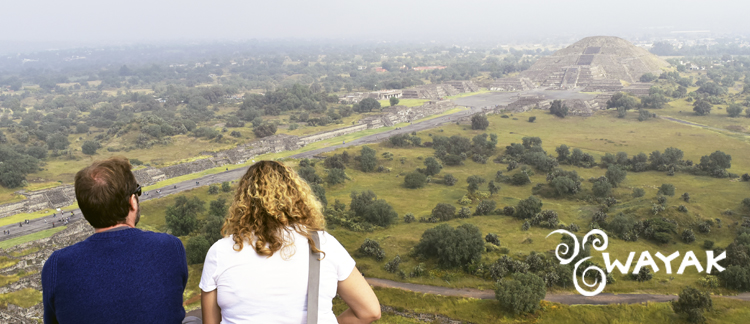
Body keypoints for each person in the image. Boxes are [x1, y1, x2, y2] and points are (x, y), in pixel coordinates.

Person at [199, 161, 380, 324]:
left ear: (243, 202)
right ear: (297, 197)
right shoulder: (323, 244)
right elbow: (369, 311)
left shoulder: (220, 252)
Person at [42, 157, 196, 324]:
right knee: (195, 318)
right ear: (132, 201)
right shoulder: (169, 247)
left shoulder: (57, 265)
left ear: (86, 209)